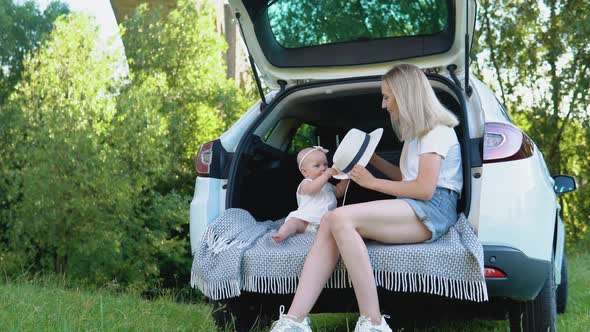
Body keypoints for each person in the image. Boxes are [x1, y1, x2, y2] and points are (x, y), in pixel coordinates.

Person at [270, 63, 463, 332]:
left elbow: (424, 189)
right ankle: (294, 320)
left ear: (405, 95)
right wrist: (373, 160)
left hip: (434, 209)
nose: (384, 105)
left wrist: (373, 183)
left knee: (339, 218)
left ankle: (373, 322)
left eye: (386, 96)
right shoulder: (415, 137)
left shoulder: (437, 132)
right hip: (414, 206)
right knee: (329, 220)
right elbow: (404, 178)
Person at [272, 146, 349, 242]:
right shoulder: (306, 183)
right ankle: (281, 234)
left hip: (324, 223)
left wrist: (345, 178)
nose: (323, 168)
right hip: (305, 220)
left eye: (325, 164)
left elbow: (339, 192)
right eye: (317, 166)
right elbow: (312, 189)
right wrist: (326, 175)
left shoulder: (328, 185)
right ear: (305, 172)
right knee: (293, 222)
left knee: (340, 225)